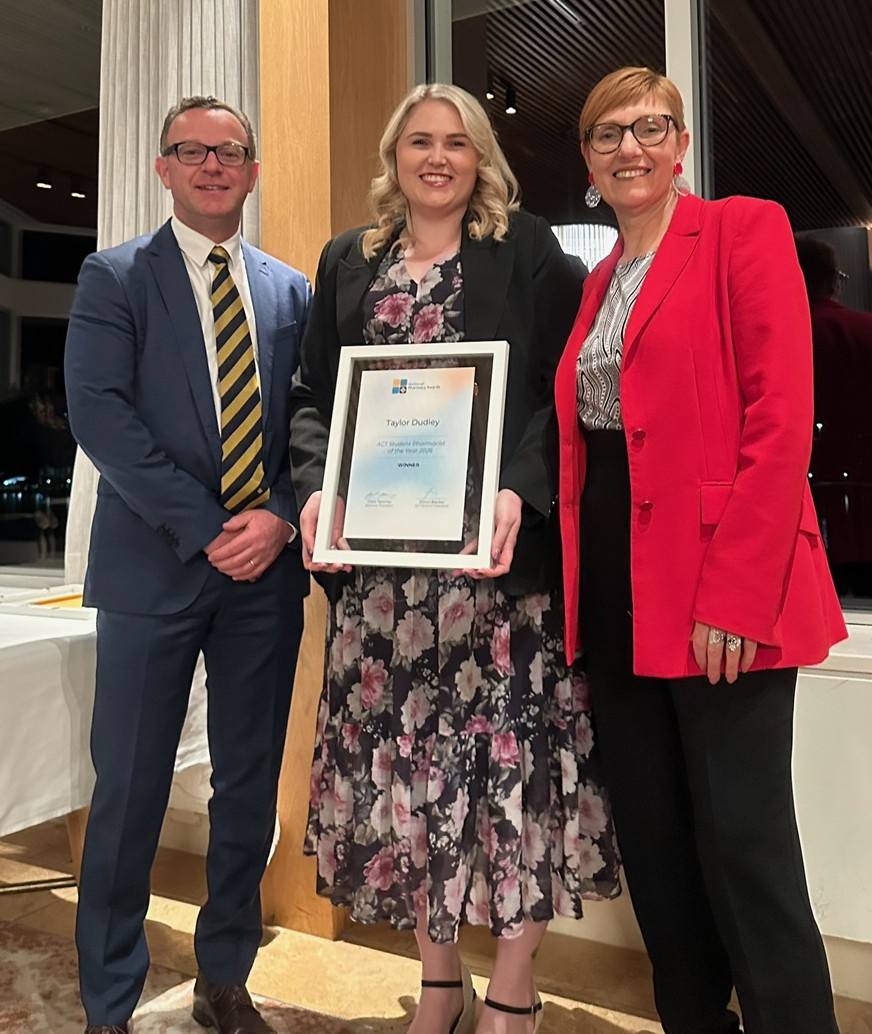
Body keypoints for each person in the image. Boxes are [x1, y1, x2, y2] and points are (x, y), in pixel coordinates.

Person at [290, 83, 620, 1034]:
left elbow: (560, 391)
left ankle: (513, 989)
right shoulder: (350, 259)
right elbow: (314, 394)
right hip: (384, 590)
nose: (438, 157)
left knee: (506, 777)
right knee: (415, 777)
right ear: (394, 154)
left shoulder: (527, 251)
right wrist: (316, 487)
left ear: (483, 159)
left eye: (458, 142)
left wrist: (521, 485)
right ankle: (440, 985)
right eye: (420, 141)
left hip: (495, 581)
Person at [554, 67, 848, 1034]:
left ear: (681, 144)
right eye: (608, 134)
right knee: (658, 842)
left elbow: (781, 419)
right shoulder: (598, 276)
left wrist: (735, 591)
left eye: (650, 127)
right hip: (614, 582)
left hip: (723, 580)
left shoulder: (742, 229)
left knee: (746, 847)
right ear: (588, 159)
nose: (629, 148)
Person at [64, 95, 311, 1034]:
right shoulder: (114, 276)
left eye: (231, 151)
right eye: (190, 150)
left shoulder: (290, 291)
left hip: (265, 582)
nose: (212, 165)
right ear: (162, 167)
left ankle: (224, 980)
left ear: (252, 171)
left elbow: (305, 425)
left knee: (246, 786)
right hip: (153, 572)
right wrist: (212, 527)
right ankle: (109, 1003)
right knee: (129, 789)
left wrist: (280, 520)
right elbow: (101, 418)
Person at [795, 235, 872, 597]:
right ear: (830, 279)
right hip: (864, 500)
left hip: (805, 501)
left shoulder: (788, 334)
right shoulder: (865, 330)